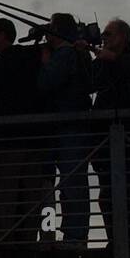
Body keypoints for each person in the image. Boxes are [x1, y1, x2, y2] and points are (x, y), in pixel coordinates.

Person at [87, 18, 130, 247]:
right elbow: (90, 83)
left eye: (108, 34)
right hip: (105, 135)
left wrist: (114, 59)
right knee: (107, 190)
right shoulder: (102, 60)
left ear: (122, 37)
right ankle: (116, 240)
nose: (104, 38)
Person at [0, 18, 46, 245]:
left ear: (2, 35)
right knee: (31, 195)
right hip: (33, 137)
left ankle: (5, 243)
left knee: (5, 195)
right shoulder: (30, 57)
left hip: (7, 139)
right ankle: (28, 241)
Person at [36, 13, 93, 246]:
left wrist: (45, 62)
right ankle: (74, 236)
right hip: (73, 124)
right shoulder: (78, 54)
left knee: (69, 185)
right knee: (73, 184)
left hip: (65, 126)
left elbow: (45, 84)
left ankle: (71, 237)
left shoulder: (65, 54)